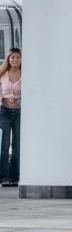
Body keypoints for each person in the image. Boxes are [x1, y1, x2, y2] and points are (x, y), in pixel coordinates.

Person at [0, 49, 21, 187]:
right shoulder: (2, 74)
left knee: (17, 145)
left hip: (20, 113)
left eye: (18, 57)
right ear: (8, 59)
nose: (15, 60)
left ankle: (15, 176)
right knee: (5, 145)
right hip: (4, 113)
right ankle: (4, 177)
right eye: (12, 57)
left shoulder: (25, 74)